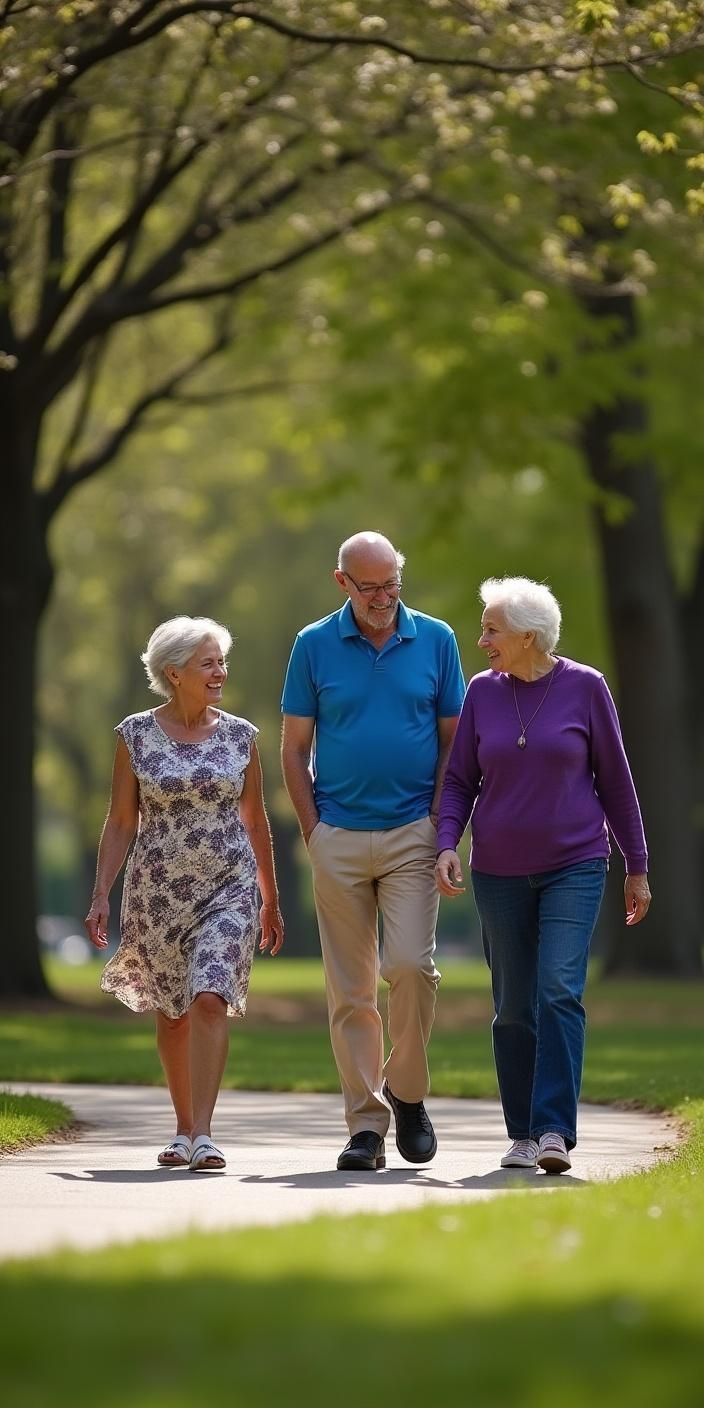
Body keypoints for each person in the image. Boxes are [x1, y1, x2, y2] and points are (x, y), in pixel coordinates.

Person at [435, 577, 650, 1174]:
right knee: (512, 1007)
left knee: (558, 988)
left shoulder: (586, 687)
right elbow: (459, 780)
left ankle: (554, 1128)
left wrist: (637, 865)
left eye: (492, 630)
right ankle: (523, 1133)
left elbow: (616, 782)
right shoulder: (482, 693)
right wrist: (447, 842)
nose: (482, 640)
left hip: (575, 864)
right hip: (498, 870)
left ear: (528, 636)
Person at [281, 532, 465, 1171]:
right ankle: (365, 1126)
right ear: (343, 583)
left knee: (411, 967)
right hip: (337, 835)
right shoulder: (313, 644)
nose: (384, 599)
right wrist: (313, 831)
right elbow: (293, 749)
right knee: (351, 991)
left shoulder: (437, 639)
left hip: (414, 831)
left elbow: (454, 743)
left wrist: (441, 824)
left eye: (392, 585)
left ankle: (407, 1092)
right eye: (370, 588)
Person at [85, 616, 284, 1172]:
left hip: (229, 887)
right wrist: (100, 892)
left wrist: (270, 898)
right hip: (157, 893)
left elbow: (255, 819)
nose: (220, 672)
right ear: (174, 673)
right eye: (207, 663)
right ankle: (181, 1128)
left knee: (210, 996)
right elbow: (120, 821)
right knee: (172, 1013)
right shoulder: (135, 735)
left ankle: (204, 1134)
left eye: (222, 662)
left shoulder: (241, 736)